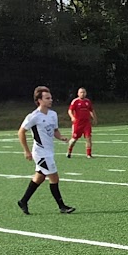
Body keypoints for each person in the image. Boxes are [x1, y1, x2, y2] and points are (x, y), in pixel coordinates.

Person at [17, 86, 74, 215]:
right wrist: (26, 151)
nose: (50, 100)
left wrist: (61, 137)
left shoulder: (53, 114)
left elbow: (55, 131)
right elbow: (21, 132)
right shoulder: (33, 116)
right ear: (39, 100)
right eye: (47, 98)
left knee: (39, 178)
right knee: (54, 178)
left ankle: (23, 201)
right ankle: (62, 206)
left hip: (49, 152)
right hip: (41, 153)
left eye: (50, 98)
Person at [68, 86, 96, 158]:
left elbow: (91, 110)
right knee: (74, 139)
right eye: (81, 92)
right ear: (78, 93)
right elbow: (70, 110)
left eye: (84, 92)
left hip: (86, 123)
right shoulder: (75, 101)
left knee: (88, 138)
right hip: (78, 124)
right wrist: (72, 117)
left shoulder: (88, 101)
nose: (82, 94)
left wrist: (94, 118)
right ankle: (69, 151)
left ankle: (89, 154)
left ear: (86, 93)